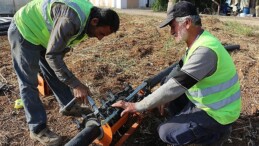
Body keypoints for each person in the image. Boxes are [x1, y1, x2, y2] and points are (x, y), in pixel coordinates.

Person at [112, 1, 241, 146]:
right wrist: (160, 95)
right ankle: (188, 125)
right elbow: (178, 70)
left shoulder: (205, 51)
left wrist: (138, 106)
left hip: (219, 114)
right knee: (166, 83)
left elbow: (176, 86)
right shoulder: (199, 41)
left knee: (165, 132)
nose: (171, 32)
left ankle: (214, 136)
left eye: (173, 26)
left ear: (187, 23)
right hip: (207, 103)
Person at [8, 0, 119, 145]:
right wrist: (76, 85)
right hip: (25, 30)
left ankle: (68, 105)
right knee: (28, 82)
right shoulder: (71, 19)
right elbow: (53, 55)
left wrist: (65, 74)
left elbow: (57, 53)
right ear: (95, 21)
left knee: (55, 72)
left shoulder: (89, 20)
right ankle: (37, 129)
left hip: (44, 36)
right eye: (101, 33)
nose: (99, 38)